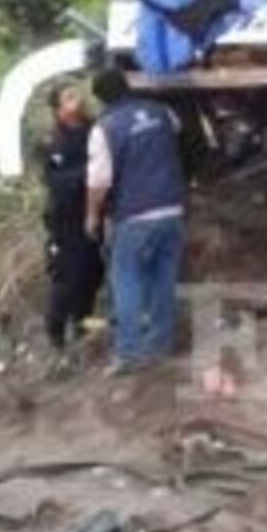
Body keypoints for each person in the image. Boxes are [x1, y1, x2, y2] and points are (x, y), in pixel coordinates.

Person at [85, 69, 187, 376]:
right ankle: (161, 344)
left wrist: (91, 215)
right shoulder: (163, 112)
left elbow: (99, 181)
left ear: (101, 98)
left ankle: (129, 354)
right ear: (127, 86)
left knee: (126, 280)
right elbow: (177, 136)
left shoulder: (105, 128)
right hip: (172, 209)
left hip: (135, 214)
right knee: (162, 279)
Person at [41, 83, 104, 352]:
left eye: (76, 94)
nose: (76, 100)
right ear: (57, 108)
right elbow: (53, 180)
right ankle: (55, 329)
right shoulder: (52, 141)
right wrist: (87, 172)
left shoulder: (95, 129)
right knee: (68, 275)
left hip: (96, 210)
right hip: (66, 217)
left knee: (93, 271)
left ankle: (82, 323)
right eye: (68, 97)